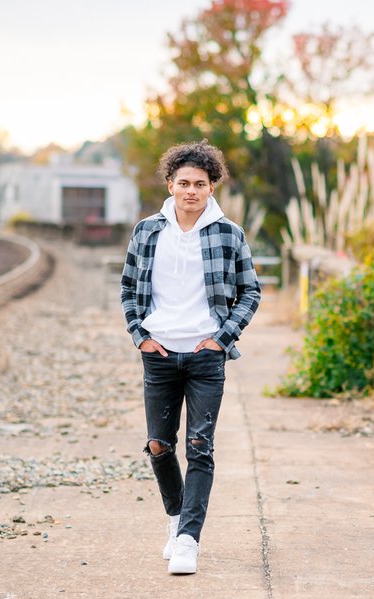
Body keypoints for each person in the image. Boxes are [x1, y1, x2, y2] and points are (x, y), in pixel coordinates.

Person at [119, 140, 260, 575]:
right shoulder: (147, 231)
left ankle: (187, 540)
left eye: (200, 183)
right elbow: (127, 289)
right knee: (159, 446)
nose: (191, 191)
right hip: (158, 352)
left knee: (200, 446)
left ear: (212, 187)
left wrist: (221, 338)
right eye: (184, 183)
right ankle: (175, 518)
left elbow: (250, 291)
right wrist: (140, 335)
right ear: (170, 184)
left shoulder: (228, 234)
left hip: (204, 356)